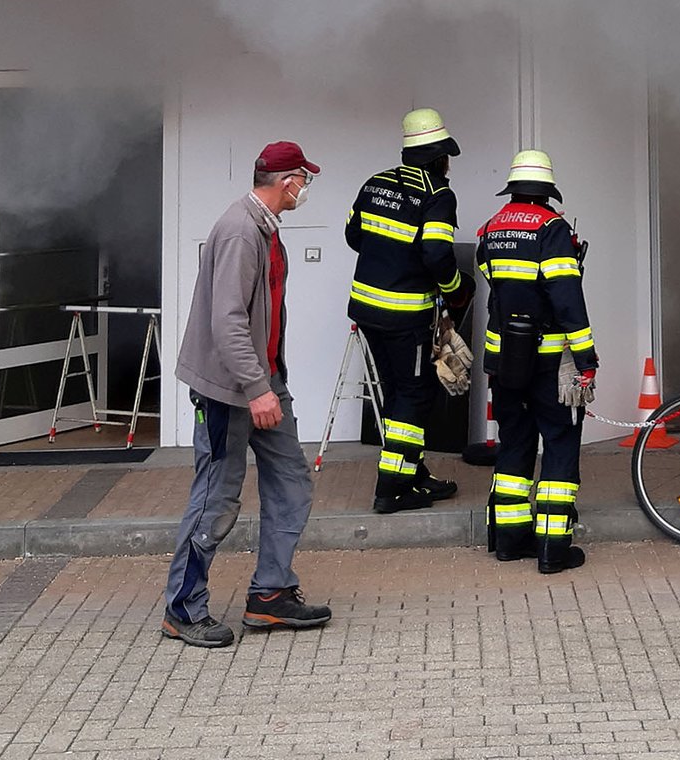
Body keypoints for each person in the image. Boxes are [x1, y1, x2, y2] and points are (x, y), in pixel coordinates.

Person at [162, 141, 332, 647]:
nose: (306, 189)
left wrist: (269, 381)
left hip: (263, 381)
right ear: (287, 182)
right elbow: (228, 321)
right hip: (231, 390)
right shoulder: (241, 231)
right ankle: (182, 609)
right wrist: (258, 389)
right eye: (305, 179)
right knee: (217, 498)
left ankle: (271, 595)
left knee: (291, 481)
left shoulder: (264, 228)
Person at [344, 108, 473, 514]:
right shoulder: (437, 194)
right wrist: (457, 291)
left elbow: (353, 236)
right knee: (413, 397)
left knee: (395, 391)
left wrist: (390, 256)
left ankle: (414, 474)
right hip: (405, 317)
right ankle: (392, 488)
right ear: (438, 156)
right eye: (447, 157)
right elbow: (437, 254)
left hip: (367, 312)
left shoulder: (375, 183)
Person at [476, 151, 597, 573]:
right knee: (560, 445)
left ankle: (509, 540)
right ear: (547, 192)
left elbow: (496, 284)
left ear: (513, 189)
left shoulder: (491, 228)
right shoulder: (552, 229)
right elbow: (566, 296)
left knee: (515, 445)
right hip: (548, 360)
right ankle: (552, 549)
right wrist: (586, 357)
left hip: (503, 358)